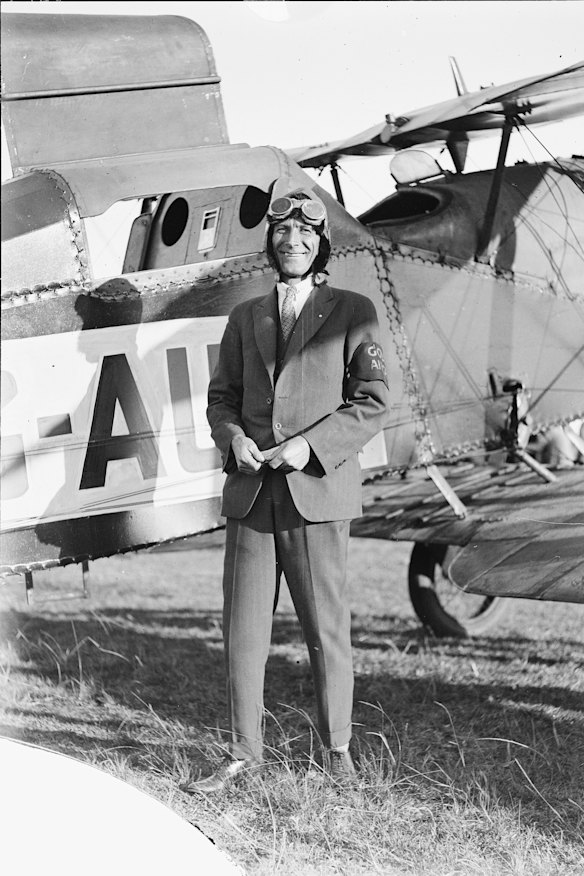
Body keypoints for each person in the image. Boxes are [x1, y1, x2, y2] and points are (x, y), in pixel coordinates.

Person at [186, 188, 389, 793]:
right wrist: (231, 439)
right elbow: (221, 397)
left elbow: (373, 401)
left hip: (316, 492)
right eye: (282, 233)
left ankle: (338, 755)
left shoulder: (354, 310)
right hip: (251, 496)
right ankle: (244, 755)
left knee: (327, 627)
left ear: (320, 242)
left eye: (305, 234)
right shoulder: (245, 316)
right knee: (243, 630)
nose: (292, 242)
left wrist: (310, 446)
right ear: (269, 242)